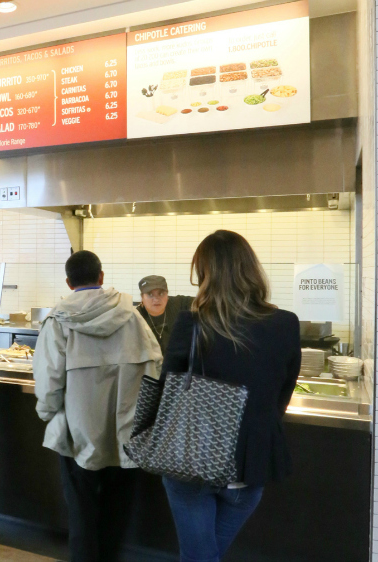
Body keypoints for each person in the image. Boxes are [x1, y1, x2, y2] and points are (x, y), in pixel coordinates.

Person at [160, 230, 301, 562]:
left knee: (199, 556)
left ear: (206, 275)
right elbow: (282, 392)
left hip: (192, 461)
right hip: (249, 465)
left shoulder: (192, 323)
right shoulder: (286, 324)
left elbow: (170, 390)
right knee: (207, 555)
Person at [33, 250, 162, 562]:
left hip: (78, 435)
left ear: (68, 282)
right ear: (101, 277)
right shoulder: (133, 316)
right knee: (117, 512)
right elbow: (156, 367)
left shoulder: (57, 320)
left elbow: (49, 381)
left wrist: (48, 414)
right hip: (125, 433)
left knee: (81, 512)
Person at [136, 275, 194, 356]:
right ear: (142, 297)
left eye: (161, 293)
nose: (156, 299)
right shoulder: (136, 317)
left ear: (167, 295)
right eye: (150, 294)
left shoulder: (178, 304)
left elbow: (205, 301)